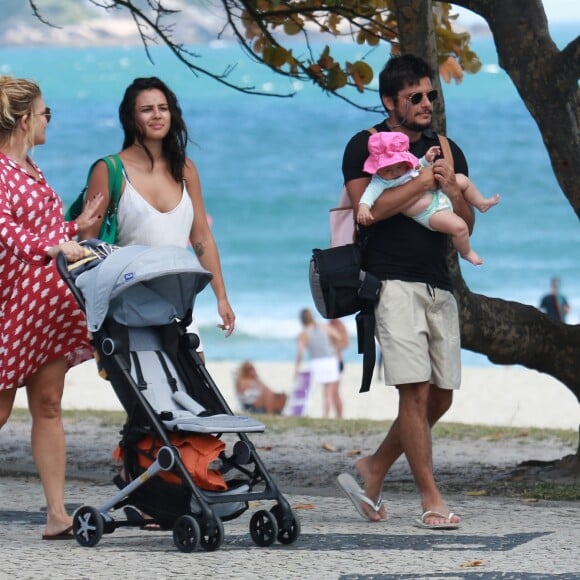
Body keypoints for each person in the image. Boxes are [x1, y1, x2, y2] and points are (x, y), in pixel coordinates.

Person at [337, 54, 470, 529]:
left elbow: (465, 223)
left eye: (431, 94)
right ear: (390, 101)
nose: (426, 103)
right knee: (413, 392)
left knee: (441, 397)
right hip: (390, 282)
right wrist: (420, 179)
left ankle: (372, 468)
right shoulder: (365, 147)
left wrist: (452, 189)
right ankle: (431, 499)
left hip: (438, 282)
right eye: (415, 96)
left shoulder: (446, 148)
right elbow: (366, 209)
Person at [0, 75, 101, 539]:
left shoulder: (33, 169)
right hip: (9, 306)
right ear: (24, 120)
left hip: (44, 310)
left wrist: (74, 229)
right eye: (45, 114)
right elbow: (12, 235)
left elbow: (41, 229)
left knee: (49, 404)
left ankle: (56, 514)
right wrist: (56, 247)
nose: (48, 121)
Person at [79, 77, 235, 354]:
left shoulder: (185, 169)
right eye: (147, 109)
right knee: (143, 393)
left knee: (197, 390)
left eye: (163, 108)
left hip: (178, 307)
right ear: (130, 117)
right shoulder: (109, 169)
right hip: (127, 307)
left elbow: (201, 237)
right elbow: (87, 246)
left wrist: (221, 297)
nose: (157, 115)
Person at [357, 131, 499, 265]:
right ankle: (466, 252)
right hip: (430, 213)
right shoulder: (380, 182)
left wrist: (427, 159)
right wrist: (364, 207)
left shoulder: (407, 167)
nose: (395, 172)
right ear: (378, 168)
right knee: (460, 227)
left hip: (438, 195)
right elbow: (368, 195)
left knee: (461, 179)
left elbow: (419, 165)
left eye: (399, 167)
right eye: (387, 170)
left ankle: (481, 203)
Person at [295, 308, 343, 419]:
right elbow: (338, 336)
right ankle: (326, 415)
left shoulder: (303, 333)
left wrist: (296, 369)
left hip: (316, 363)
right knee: (328, 393)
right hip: (330, 361)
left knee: (309, 393)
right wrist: (334, 348)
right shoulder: (324, 327)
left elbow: (300, 354)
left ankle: (304, 413)